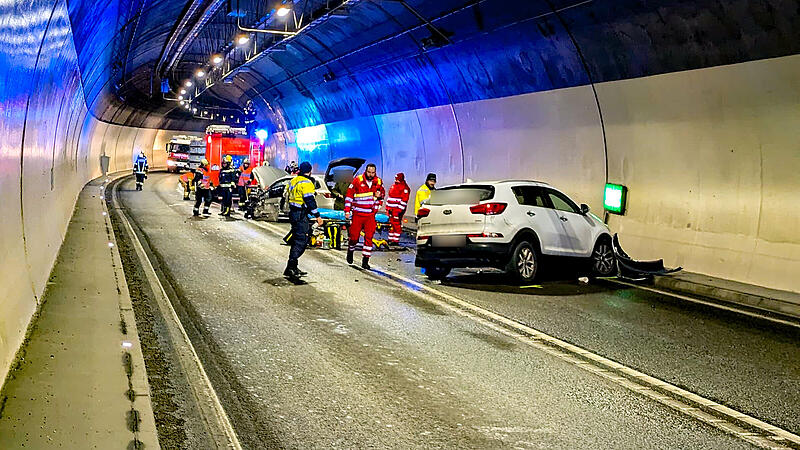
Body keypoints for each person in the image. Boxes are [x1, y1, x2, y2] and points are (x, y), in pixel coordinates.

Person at [284, 161, 324, 278]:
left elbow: (286, 195)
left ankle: (292, 267)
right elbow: (309, 200)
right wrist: (317, 216)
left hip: (294, 213)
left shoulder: (293, 181)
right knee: (301, 240)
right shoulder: (307, 183)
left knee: (297, 239)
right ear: (310, 171)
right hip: (300, 214)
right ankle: (291, 267)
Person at [344, 163, 385, 269]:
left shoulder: (378, 182)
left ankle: (365, 260)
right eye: (369, 172)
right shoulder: (357, 180)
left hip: (370, 215)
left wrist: (377, 204)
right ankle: (351, 249)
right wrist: (347, 211)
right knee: (354, 237)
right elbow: (349, 196)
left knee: (369, 237)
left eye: (373, 173)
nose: (371, 175)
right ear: (365, 171)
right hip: (358, 214)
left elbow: (381, 196)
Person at [385, 172, 410, 246]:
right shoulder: (394, 186)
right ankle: (390, 239)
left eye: (397, 179)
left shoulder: (405, 188)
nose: (396, 181)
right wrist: (387, 208)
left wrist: (398, 211)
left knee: (396, 225)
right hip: (391, 210)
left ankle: (395, 241)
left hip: (397, 210)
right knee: (391, 224)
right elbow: (390, 197)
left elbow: (404, 201)